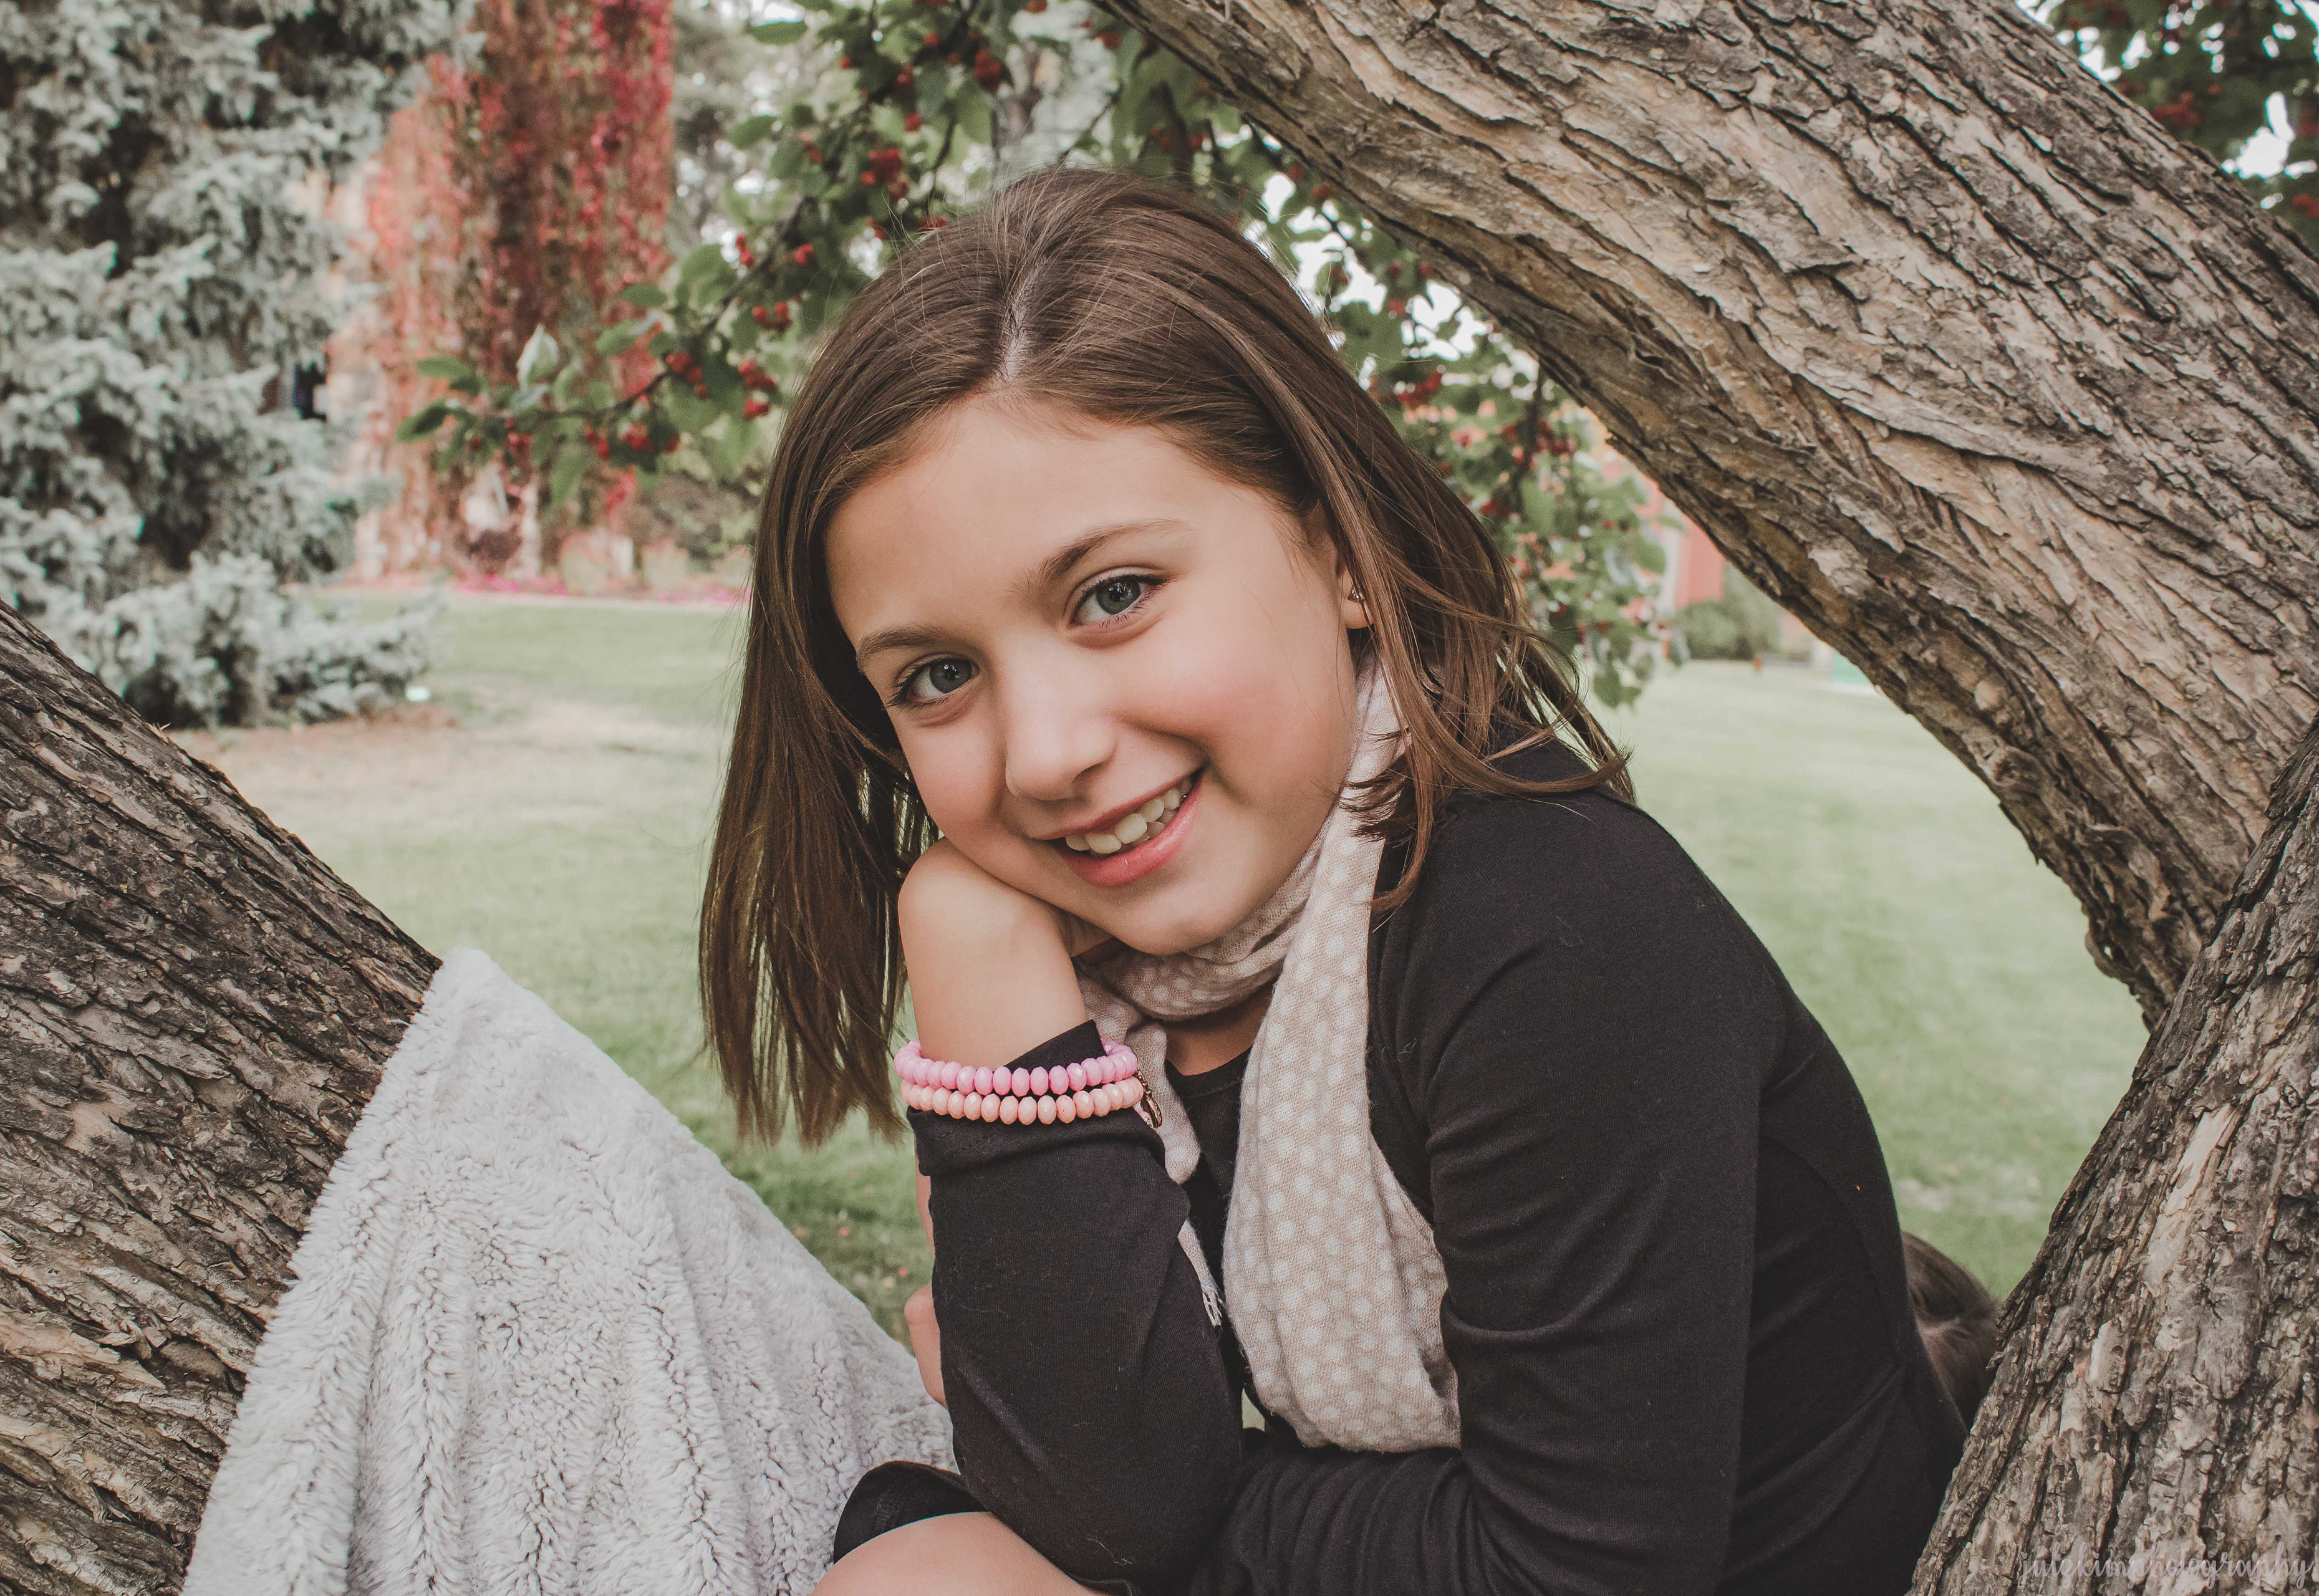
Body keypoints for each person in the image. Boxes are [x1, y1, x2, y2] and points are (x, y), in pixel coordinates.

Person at [702, 165, 1987, 1595]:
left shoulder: (1545, 925)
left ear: (1341, 553)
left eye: (1115, 594)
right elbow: (1101, 1501)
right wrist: (973, 948)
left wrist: (1169, 1501)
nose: (1049, 750)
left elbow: (1562, 1577)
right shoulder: (1103, 981)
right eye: (939, 675)